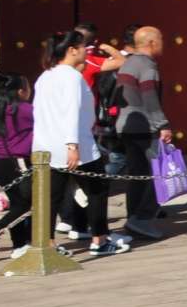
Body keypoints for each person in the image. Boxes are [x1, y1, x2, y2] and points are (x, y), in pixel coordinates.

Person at [32, 30, 123, 257]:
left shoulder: (45, 76)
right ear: (72, 50)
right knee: (97, 190)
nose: (85, 51)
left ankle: (48, 244)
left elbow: (39, 113)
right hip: (76, 145)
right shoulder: (71, 77)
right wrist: (72, 145)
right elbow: (71, 112)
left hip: (48, 145)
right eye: (83, 47)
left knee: (52, 197)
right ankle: (99, 240)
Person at [110, 25, 174, 243]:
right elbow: (150, 97)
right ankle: (143, 219)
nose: (163, 43)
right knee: (162, 172)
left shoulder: (128, 63)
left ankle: (134, 217)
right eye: (161, 39)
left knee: (138, 175)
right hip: (145, 127)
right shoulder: (147, 66)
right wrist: (163, 125)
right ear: (152, 43)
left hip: (126, 126)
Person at [0, 73, 35, 259]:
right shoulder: (26, 109)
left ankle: (20, 246)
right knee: (27, 204)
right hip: (16, 162)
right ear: (21, 91)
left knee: (18, 204)